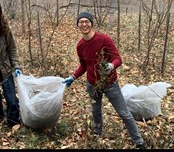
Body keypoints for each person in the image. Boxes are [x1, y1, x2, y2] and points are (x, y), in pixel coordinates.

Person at [62, 12, 146, 149]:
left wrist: (111, 65)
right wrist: (73, 77)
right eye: (81, 22)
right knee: (96, 110)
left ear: (92, 24)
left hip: (110, 83)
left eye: (87, 21)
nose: (84, 24)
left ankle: (139, 142)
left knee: (124, 113)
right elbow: (84, 66)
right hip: (92, 85)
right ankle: (97, 132)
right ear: (77, 25)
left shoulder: (104, 39)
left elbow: (118, 59)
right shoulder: (80, 46)